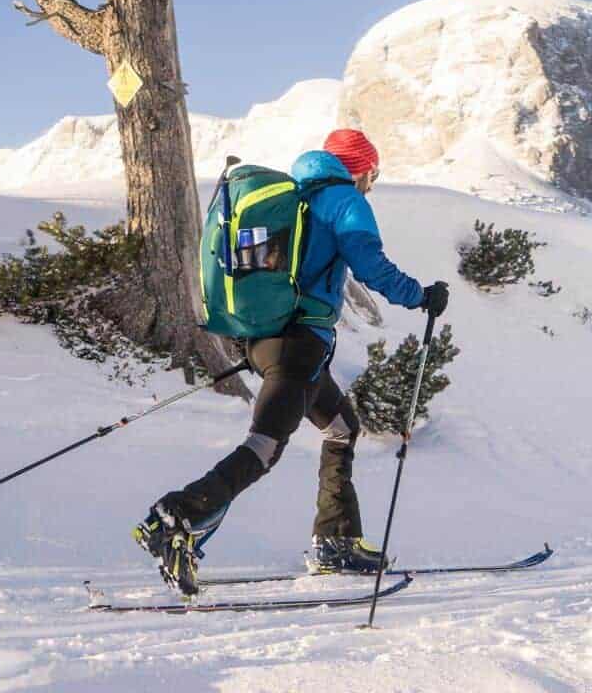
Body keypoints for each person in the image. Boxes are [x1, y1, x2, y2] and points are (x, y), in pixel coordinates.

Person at [134, 129, 450, 595]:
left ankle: (337, 541)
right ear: (360, 170)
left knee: (342, 427)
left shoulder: (295, 198)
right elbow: (372, 266)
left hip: (266, 340)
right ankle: (176, 516)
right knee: (264, 446)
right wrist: (421, 295)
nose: (372, 183)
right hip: (299, 344)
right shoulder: (344, 200)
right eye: (373, 174)